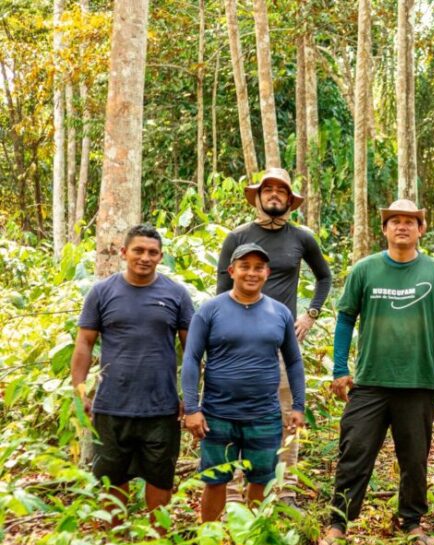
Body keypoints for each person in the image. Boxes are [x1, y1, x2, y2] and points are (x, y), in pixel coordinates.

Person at [320, 199, 434, 545]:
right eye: (395, 221)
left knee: (414, 458)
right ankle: (338, 523)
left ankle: (411, 522)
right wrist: (340, 369)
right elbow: (345, 319)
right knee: (355, 451)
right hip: (370, 381)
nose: (402, 226)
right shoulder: (365, 270)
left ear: (420, 229)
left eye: (410, 221)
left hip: (418, 382)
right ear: (384, 229)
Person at [217, 167, 331, 503]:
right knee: (236, 413)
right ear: (258, 196)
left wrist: (310, 315)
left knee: (286, 415)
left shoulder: (301, 238)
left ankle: (284, 491)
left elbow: (324, 277)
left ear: (290, 200)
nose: (274, 195)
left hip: (281, 341)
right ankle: (234, 495)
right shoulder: (238, 237)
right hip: (238, 342)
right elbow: (222, 289)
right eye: (268, 189)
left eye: (281, 190)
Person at [71, 224, 194, 526]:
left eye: (152, 252)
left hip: (161, 406)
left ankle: (157, 540)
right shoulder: (102, 292)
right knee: (112, 477)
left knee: (160, 477)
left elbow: (191, 349)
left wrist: (190, 398)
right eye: (138, 250)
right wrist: (79, 391)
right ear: (124, 252)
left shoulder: (177, 294)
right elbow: (84, 343)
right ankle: (116, 538)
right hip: (112, 405)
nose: (145, 257)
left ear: (161, 256)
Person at [182, 243, 306, 522]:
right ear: (231, 271)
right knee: (215, 480)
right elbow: (191, 358)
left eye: (258, 268)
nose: (252, 273)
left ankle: (252, 537)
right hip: (218, 414)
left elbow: (294, 362)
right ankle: (209, 536)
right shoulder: (210, 310)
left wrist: (298, 405)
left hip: (264, 415)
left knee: (261, 479)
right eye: (245, 266)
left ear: (267, 273)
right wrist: (191, 408)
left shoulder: (280, 313)